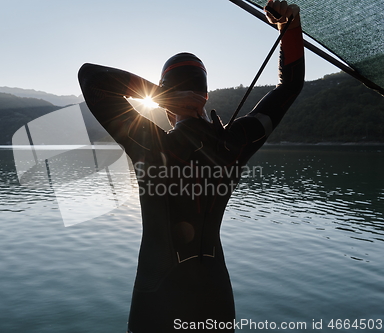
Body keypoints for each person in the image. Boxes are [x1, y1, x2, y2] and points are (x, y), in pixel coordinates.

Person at [78, 1, 304, 331]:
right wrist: (288, 25)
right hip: (216, 296)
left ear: (167, 102)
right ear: (207, 95)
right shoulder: (237, 142)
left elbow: (91, 78)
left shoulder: (152, 144)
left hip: (159, 299)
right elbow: (290, 85)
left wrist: (161, 94)